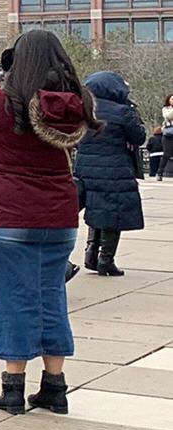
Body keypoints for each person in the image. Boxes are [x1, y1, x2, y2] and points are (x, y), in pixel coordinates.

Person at [0, 30, 96, 415]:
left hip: (9, 215)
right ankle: (55, 387)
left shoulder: (4, 101)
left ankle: (13, 387)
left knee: (13, 296)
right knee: (52, 297)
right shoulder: (75, 102)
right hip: (59, 216)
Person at [75, 70, 144, 277]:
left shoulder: (83, 109)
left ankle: (91, 252)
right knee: (113, 212)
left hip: (86, 168)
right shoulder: (122, 111)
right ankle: (106, 259)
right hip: (114, 168)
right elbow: (138, 136)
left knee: (95, 209)